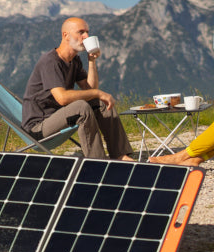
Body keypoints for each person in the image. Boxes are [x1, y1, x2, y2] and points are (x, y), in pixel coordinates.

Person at [22, 17, 134, 161]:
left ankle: (120, 154)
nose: (86, 36)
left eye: (87, 32)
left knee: (101, 103)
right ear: (65, 35)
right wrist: (98, 93)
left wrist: (92, 61)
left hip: (59, 117)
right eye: (81, 32)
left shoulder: (74, 60)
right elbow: (62, 98)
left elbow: (91, 91)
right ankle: (97, 162)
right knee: (81, 107)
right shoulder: (50, 61)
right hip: (37, 129)